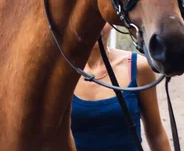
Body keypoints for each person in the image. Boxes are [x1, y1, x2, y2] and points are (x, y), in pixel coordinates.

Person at [71, 23, 171, 151]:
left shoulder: (138, 67)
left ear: (112, 22)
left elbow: (156, 133)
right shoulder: (60, 72)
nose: (95, 25)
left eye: (101, 18)